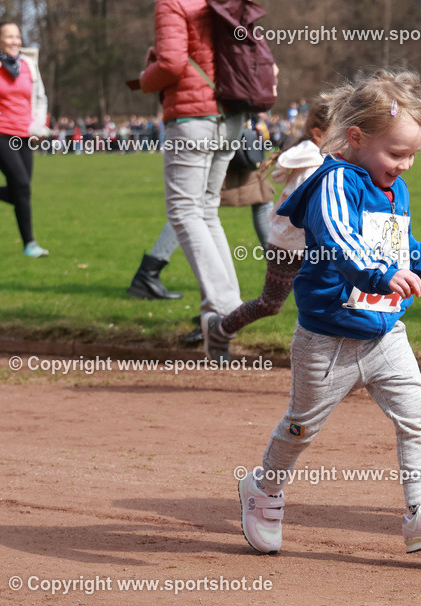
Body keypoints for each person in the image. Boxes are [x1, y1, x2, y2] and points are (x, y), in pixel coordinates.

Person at [237, 69, 421, 555]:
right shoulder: (334, 182)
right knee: (301, 426)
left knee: (416, 412)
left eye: (413, 154)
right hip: (327, 339)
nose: (407, 164)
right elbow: (338, 238)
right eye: (397, 153)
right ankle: (263, 489)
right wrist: (378, 274)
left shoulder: (392, 186)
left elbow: (401, 241)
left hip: (384, 332)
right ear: (355, 138)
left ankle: (420, 512)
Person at [134, 0, 246, 358]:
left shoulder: (174, 3)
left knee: (184, 211)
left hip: (193, 115)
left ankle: (226, 305)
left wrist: (144, 78)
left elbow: (171, 63)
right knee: (206, 211)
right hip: (231, 114)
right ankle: (219, 314)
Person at [202, 93, 333, 360]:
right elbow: (311, 212)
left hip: (317, 248)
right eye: (341, 133)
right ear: (318, 135)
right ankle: (220, 328)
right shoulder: (310, 167)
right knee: (270, 304)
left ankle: (332, 362)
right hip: (288, 246)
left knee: (330, 301)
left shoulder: (333, 162)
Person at [0, 19, 50, 257]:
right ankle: (30, 244)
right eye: (9, 37)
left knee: (21, 190)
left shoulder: (29, 65)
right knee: (20, 185)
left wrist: (37, 125)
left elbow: (40, 99)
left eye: (17, 37)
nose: (15, 41)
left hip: (24, 135)